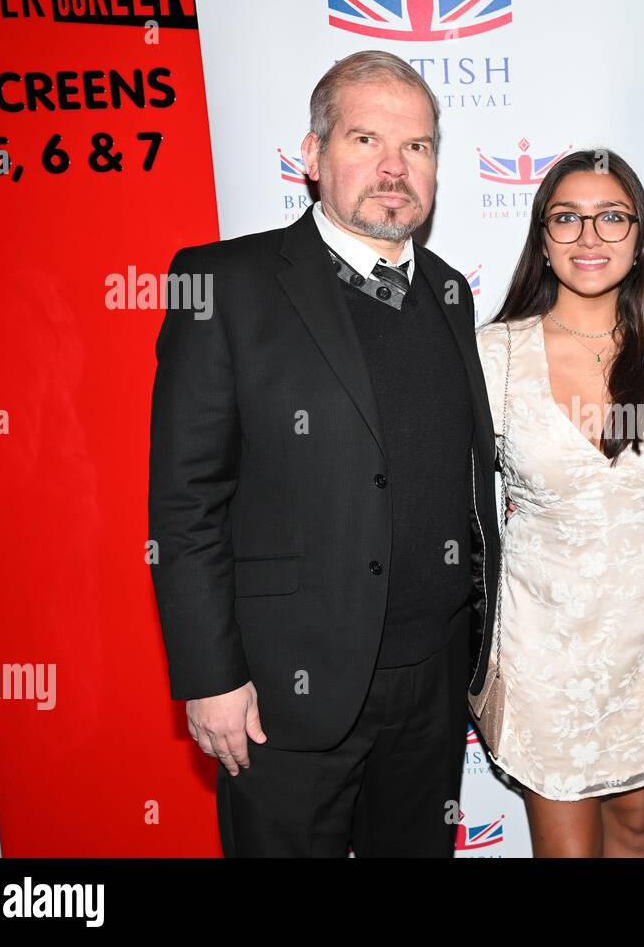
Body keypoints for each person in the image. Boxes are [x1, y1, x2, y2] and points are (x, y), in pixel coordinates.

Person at [148, 50, 501, 857]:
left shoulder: (448, 290)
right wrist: (210, 676)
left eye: (415, 147)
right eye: (365, 139)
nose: (392, 167)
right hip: (282, 692)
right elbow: (185, 501)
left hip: (435, 685)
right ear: (312, 158)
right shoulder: (223, 282)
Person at [472, 149, 644, 857]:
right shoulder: (496, 353)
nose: (589, 237)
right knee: (568, 848)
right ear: (542, 241)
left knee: (640, 832)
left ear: (639, 239)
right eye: (567, 219)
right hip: (543, 642)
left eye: (611, 218)